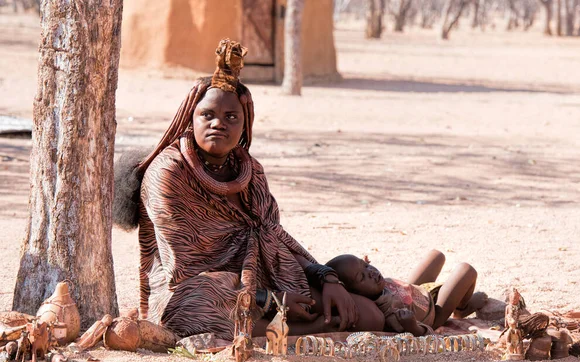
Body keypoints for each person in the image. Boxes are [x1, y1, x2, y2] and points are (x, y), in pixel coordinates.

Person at [113, 39, 384, 341]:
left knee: (364, 311)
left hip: (269, 278)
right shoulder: (168, 172)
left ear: (245, 126)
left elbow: (275, 238)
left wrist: (327, 277)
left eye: (231, 117)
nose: (218, 124)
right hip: (201, 293)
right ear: (191, 117)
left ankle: (285, 327)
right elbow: (187, 268)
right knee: (198, 304)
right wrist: (270, 300)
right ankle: (287, 330)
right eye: (208, 115)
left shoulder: (250, 171)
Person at [325, 250, 488, 336]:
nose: (371, 272)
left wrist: (361, 268)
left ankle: (456, 300)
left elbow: (359, 274)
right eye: (362, 276)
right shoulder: (386, 313)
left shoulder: (375, 287)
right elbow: (421, 334)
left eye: (366, 265)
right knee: (466, 270)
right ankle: (461, 307)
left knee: (436, 256)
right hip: (432, 313)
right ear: (354, 293)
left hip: (413, 291)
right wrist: (411, 326)